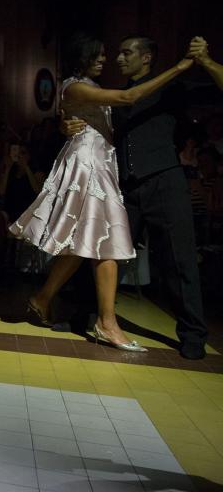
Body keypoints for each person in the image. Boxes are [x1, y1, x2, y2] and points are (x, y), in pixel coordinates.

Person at [11, 33, 196, 351]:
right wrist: (180, 66)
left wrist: (65, 123)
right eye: (97, 56)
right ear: (82, 57)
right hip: (90, 165)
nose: (106, 60)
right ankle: (106, 323)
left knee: (86, 242)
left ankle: (44, 300)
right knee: (106, 241)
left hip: (102, 163)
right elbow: (127, 99)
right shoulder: (76, 85)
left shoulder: (90, 88)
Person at [59, 35, 222, 359]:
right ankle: (87, 315)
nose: (119, 58)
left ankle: (192, 334)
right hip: (126, 187)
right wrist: (68, 127)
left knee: (180, 260)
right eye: (117, 52)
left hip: (165, 181)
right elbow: (89, 120)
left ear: (146, 58)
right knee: (102, 251)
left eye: (126, 53)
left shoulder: (170, 87)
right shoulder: (114, 97)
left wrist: (205, 62)